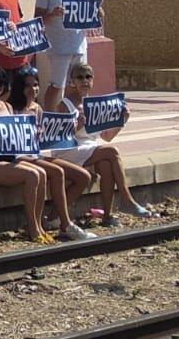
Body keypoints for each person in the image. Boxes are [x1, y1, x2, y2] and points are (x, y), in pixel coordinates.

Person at [0, 64, 59, 245]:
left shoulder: (7, 106)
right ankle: (32, 227)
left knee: (42, 173)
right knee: (32, 175)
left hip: (8, 159)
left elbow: (15, 136)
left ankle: (39, 225)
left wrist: (32, 133)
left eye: (0, 82)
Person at [55, 61, 152, 227]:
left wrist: (122, 120)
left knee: (106, 165)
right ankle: (127, 199)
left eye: (88, 77)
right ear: (72, 81)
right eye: (80, 77)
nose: (85, 81)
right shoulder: (65, 104)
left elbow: (106, 137)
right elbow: (59, 137)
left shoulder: (93, 105)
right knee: (112, 151)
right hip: (70, 148)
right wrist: (77, 126)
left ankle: (108, 215)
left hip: (89, 148)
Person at [8, 67, 94, 240]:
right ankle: (66, 224)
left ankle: (53, 218)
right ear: (19, 87)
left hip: (35, 154)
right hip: (18, 156)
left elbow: (51, 138)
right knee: (57, 172)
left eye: (36, 85)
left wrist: (71, 128)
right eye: (28, 86)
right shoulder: (11, 108)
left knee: (83, 177)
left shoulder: (37, 108)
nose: (33, 89)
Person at [36, 0, 89, 111]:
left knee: (78, 86)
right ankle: (50, 119)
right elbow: (37, 20)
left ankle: (74, 118)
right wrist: (52, 14)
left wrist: (96, 14)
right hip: (59, 48)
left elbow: (84, 17)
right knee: (56, 86)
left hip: (79, 46)